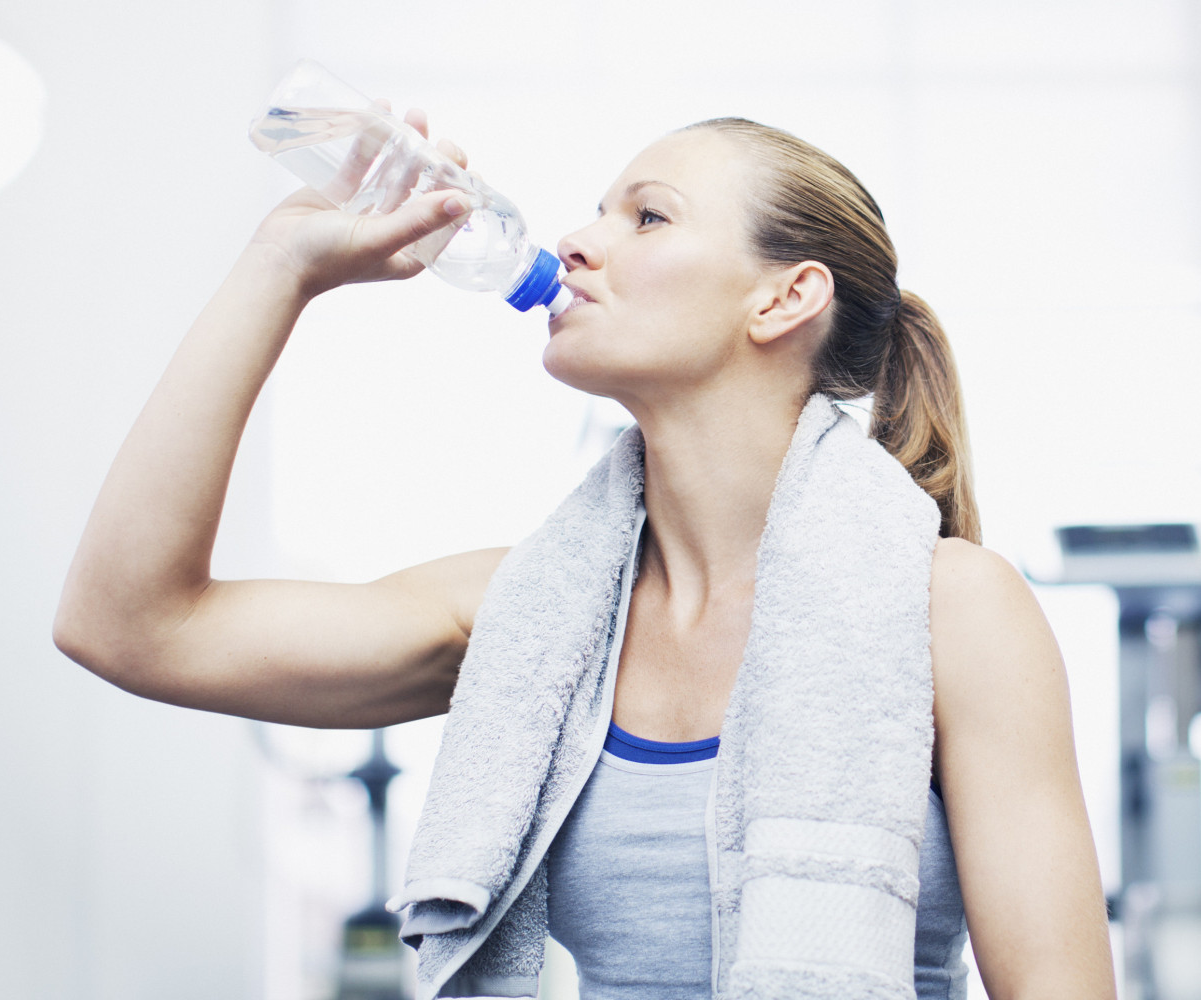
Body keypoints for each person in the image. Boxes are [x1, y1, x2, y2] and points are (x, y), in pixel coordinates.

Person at [55, 108, 1114, 999]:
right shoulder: (525, 620)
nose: (577, 241)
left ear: (783, 297)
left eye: (647, 215)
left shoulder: (952, 612)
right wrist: (279, 267)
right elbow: (128, 625)